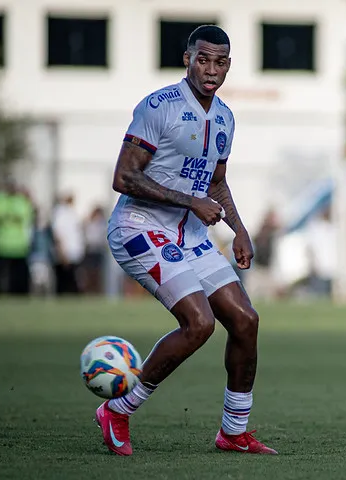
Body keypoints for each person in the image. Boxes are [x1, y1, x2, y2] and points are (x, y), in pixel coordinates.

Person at [97, 25, 277, 456]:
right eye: (203, 59)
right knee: (200, 323)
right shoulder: (158, 107)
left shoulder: (226, 118)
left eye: (220, 62)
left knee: (246, 321)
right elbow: (124, 177)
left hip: (188, 234)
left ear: (229, 66)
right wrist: (190, 201)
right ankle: (117, 409)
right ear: (187, 59)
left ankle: (233, 431)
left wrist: (239, 229)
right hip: (139, 227)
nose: (211, 70)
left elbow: (216, 183)